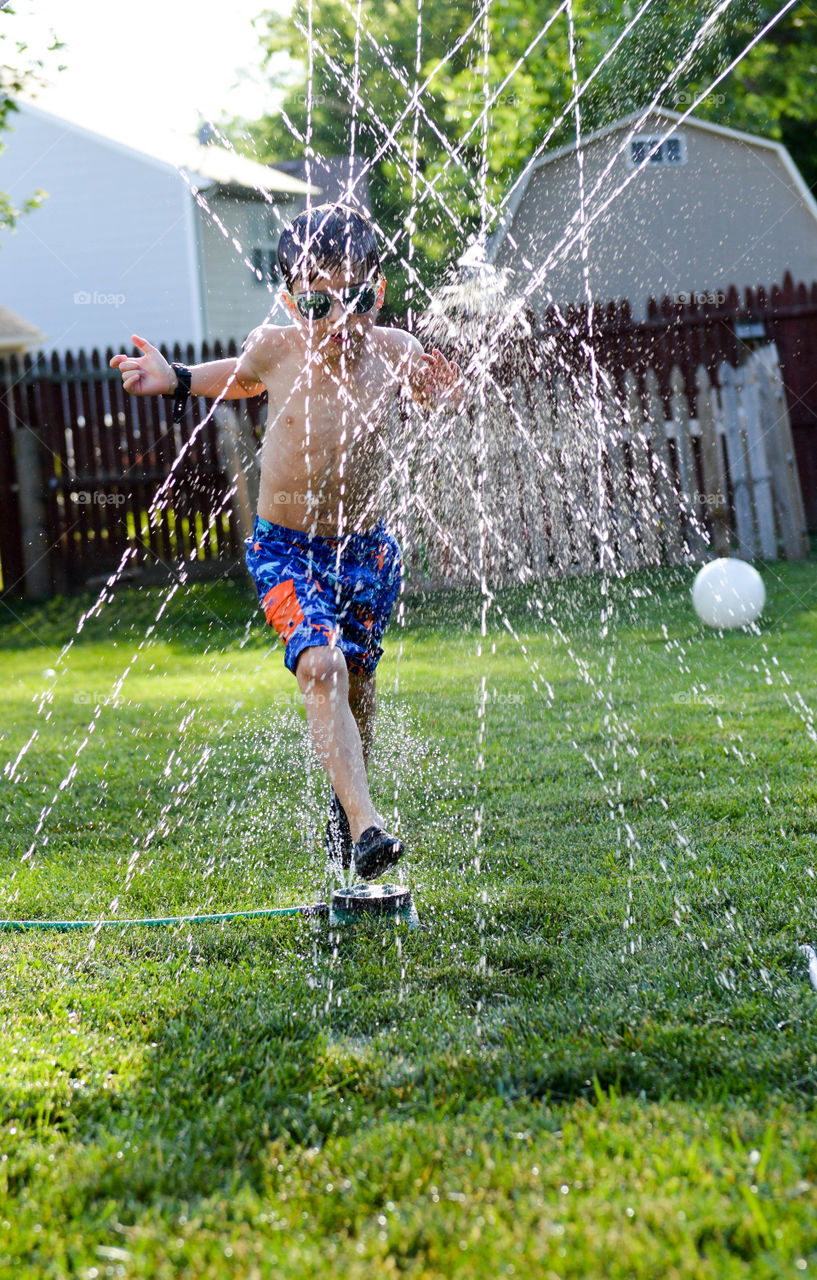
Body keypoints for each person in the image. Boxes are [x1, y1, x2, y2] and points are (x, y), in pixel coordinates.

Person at [110, 203, 462, 882]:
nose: (336, 318)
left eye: (354, 298)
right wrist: (176, 378)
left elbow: (431, 398)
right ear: (290, 298)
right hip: (286, 549)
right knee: (320, 667)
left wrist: (446, 397)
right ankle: (367, 826)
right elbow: (238, 376)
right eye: (315, 303)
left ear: (379, 290)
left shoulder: (394, 350)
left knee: (357, 681)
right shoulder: (276, 346)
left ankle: (347, 805)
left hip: (367, 552)